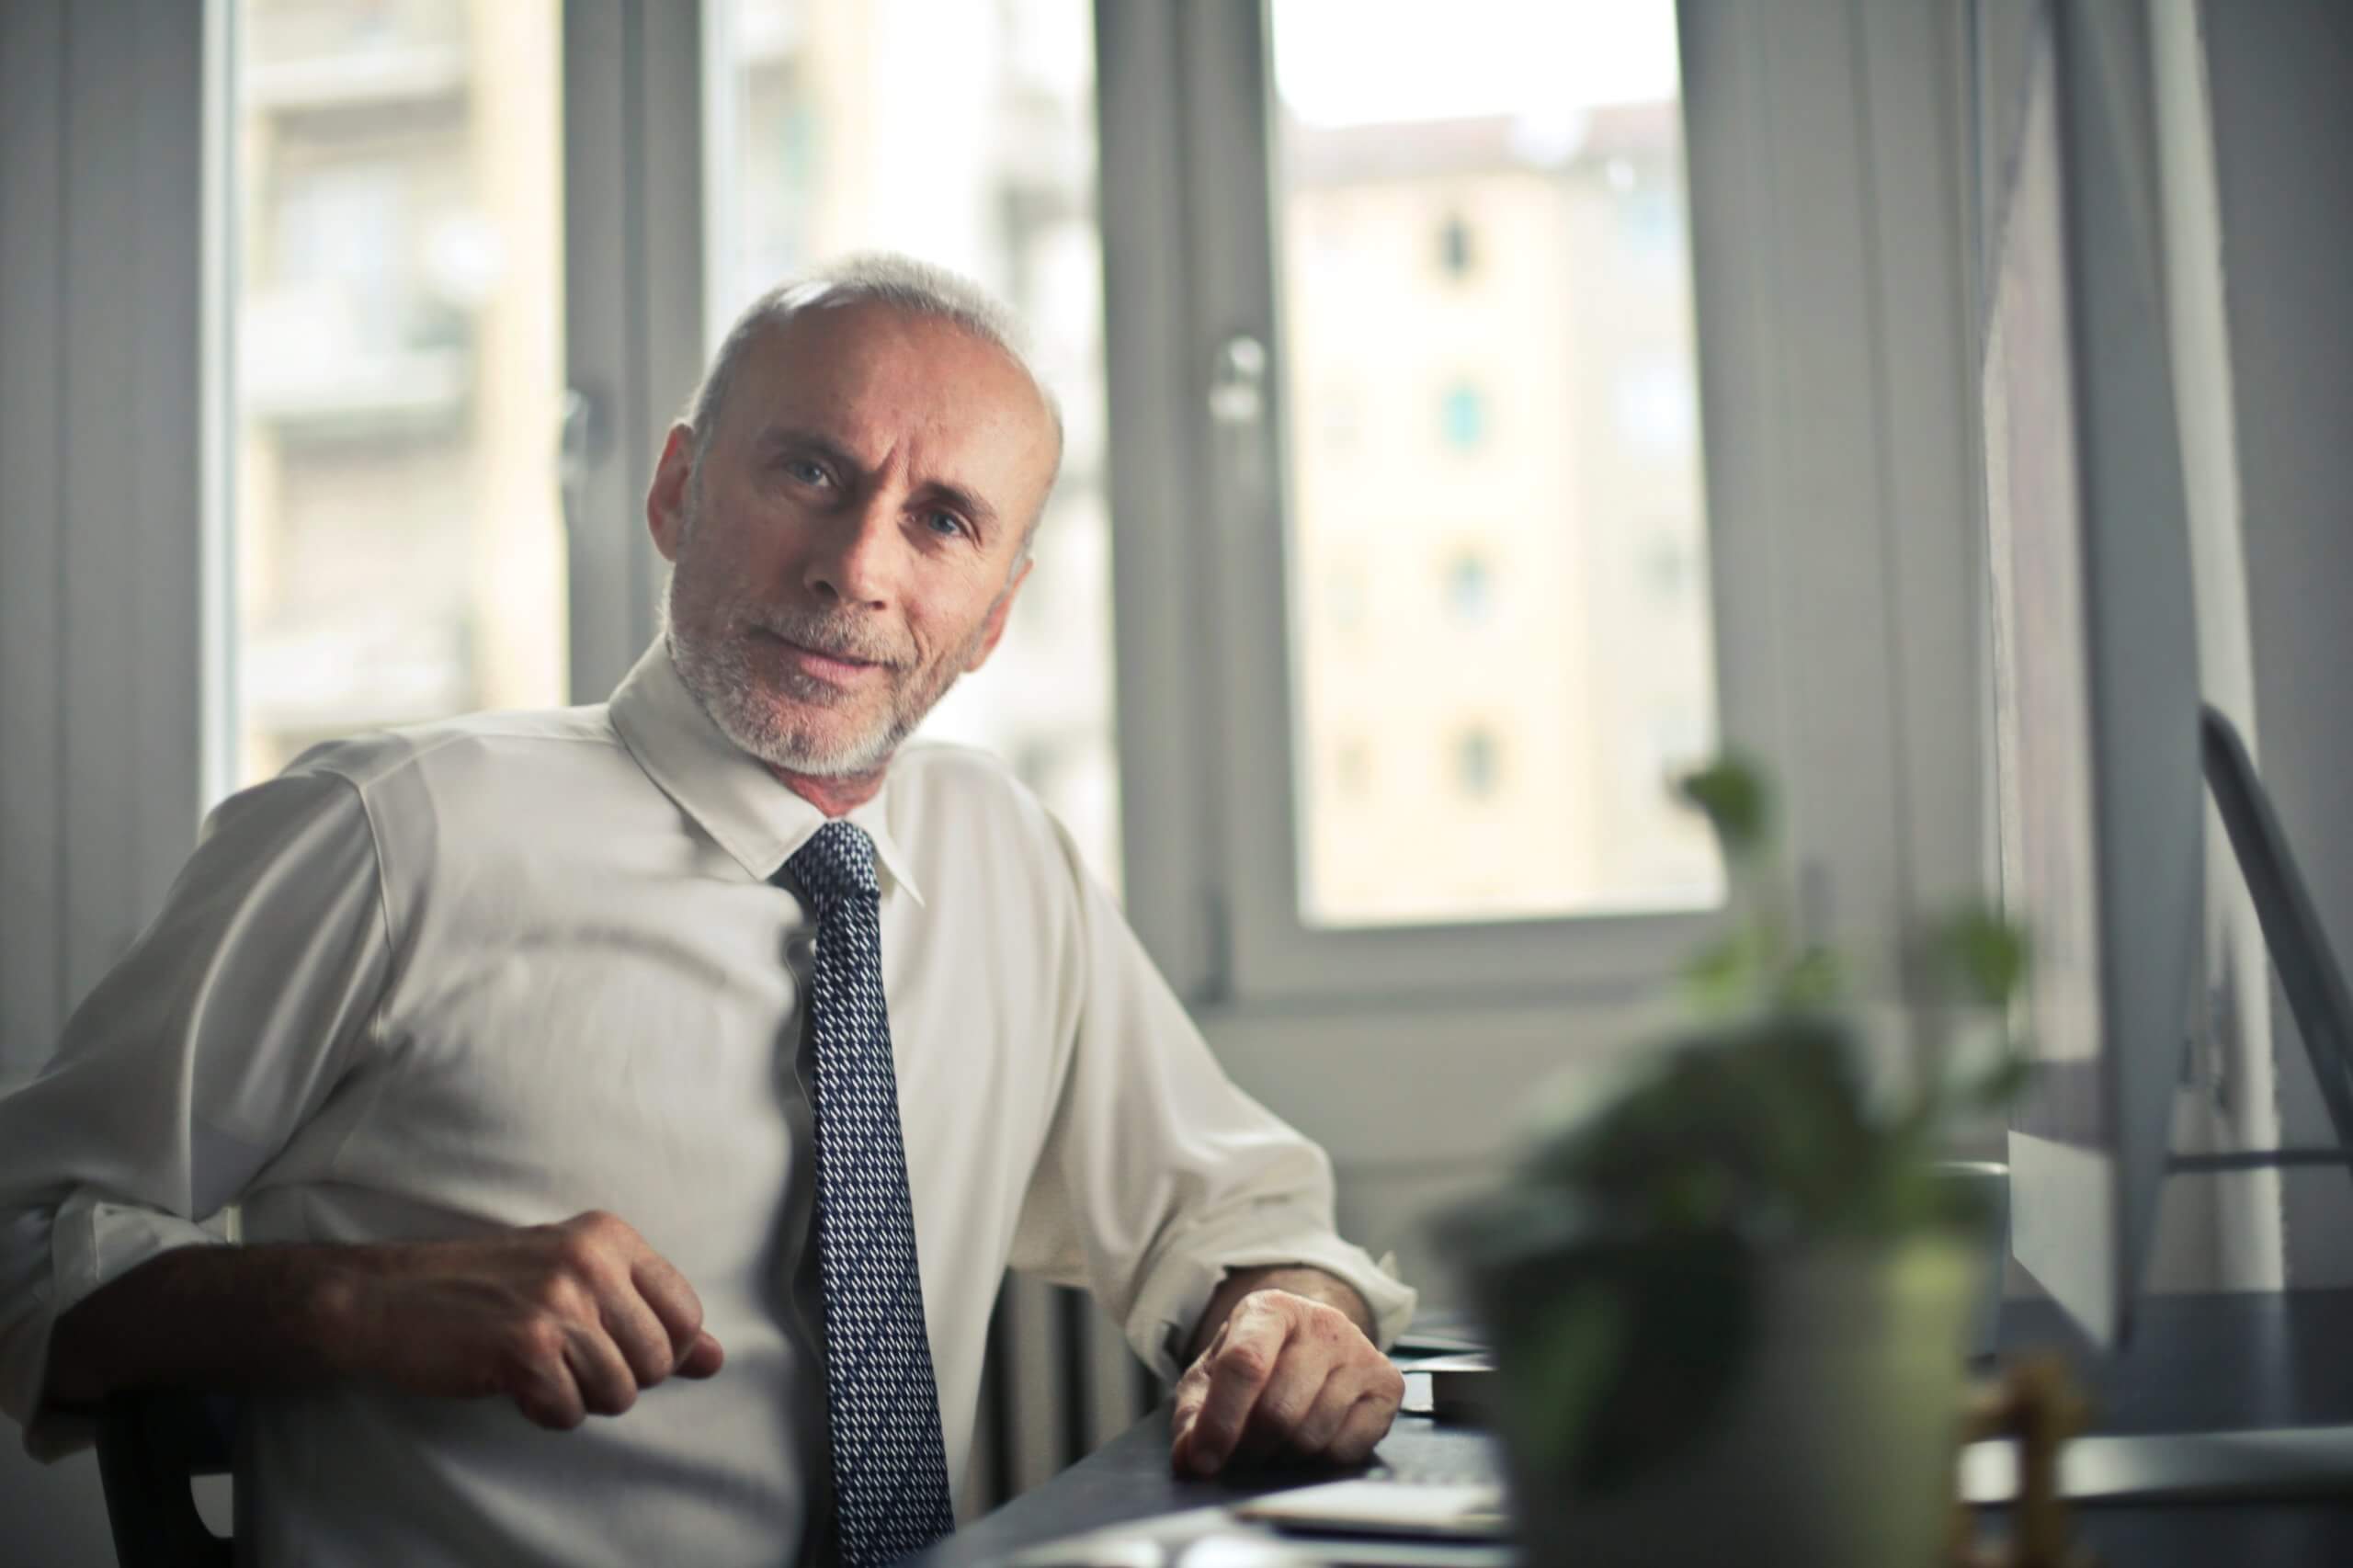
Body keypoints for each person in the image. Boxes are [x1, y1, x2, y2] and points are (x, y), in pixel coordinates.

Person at [0, 254, 1413, 1566]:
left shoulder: (1006, 854)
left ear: (991, 615)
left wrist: (1290, 1312)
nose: (856, 566)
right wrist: (350, 1300)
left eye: (942, 521)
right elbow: (18, 1225)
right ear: (677, 488)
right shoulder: (392, 834)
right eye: (810, 468)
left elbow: (1234, 1209)